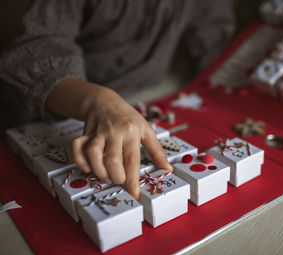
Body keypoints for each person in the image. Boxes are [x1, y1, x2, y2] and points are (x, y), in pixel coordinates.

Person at [0, 0, 235, 199]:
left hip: (146, 95)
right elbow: (36, 46)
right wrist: (97, 101)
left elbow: (214, 37)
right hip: (54, 104)